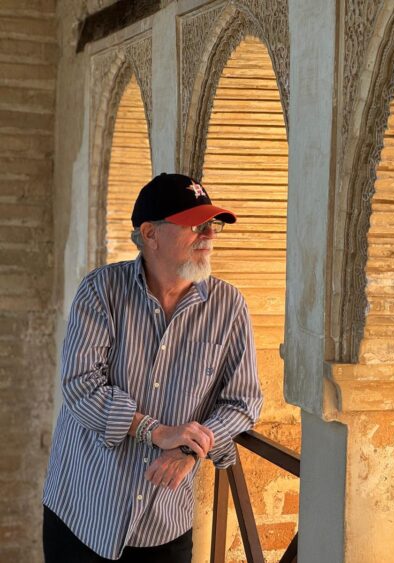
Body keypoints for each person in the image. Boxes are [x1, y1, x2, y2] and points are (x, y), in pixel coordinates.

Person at [41, 173, 263, 562]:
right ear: (149, 233)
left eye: (213, 226)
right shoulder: (101, 290)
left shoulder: (230, 307)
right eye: (197, 225)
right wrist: (157, 432)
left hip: (164, 523)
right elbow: (80, 385)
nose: (209, 235)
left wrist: (193, 447)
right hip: (84, 511)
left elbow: (243, 401)